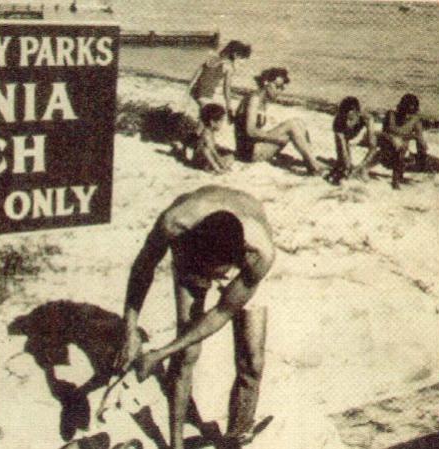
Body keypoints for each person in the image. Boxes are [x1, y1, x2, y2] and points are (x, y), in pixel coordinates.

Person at [116, 186, 275, 449]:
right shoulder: (175, 223)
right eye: (208, 274)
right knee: (187, 353)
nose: (213, 281)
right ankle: (176, 444)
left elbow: (221, 312)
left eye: (218, 274)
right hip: (193, 254)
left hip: (240, 260)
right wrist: (129, 329)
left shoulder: (260, 254)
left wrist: (160, 353)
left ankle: (238, 435)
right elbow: (144, 266)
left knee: (252, 361)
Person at [234, 68, 327, 175]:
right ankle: (314, 167)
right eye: (277, 87)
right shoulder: (254, 99)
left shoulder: (262, 100)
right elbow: (250, 131)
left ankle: (311, 159)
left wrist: (275, 137)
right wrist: (276, 138)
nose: (279, 91)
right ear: (266, 83)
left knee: (298, 122)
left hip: (256, 147)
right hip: (248, 153)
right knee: (292, 125)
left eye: (282, 88)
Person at [354, 93, 437, 189]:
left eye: (410, 113)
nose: (407, 115)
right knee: (396, 144)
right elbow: (387, 133)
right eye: (405, 111)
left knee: (437, 164)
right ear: (400, 108)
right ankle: (394, 181)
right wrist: (409, 136)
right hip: (387, 154)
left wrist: (421, 148)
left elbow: (420, 143)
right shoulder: (391, 115)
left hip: (403, 156)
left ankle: (402, 174)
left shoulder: (416, 121)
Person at [188, 40, 252, 121]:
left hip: (195, 91)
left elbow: (197, 75)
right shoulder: (228, 66)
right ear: (235, 55)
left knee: (204, 117)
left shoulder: (211, 59)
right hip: (205, 94)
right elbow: (226, 89)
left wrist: (189, 90)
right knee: (212, 119)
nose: (241, 64)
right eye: (240, 60)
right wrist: (229, 108)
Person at [329, 96, 377, 184]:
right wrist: (347, 167)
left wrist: (361, 166)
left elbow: (373, 147)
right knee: (343, 164)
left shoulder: (367, 118)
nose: (347, 123)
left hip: (362, 137)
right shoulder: (338, 122)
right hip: (346, 136)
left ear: (358, 114)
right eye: (345, 118)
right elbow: (343, 148)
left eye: (351, 119)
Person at [189, 103, 234, 174]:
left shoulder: (210, 131)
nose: (222, 124)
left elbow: (213, 150)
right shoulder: (206, 134)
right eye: (221, 121)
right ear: (212, 122)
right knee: (206, 150)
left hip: (205, 158)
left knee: (230, 156)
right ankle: (214, 168)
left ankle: (216, 166)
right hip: (201, 160)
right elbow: (210, 152)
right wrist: (219, 165)